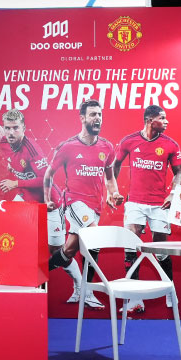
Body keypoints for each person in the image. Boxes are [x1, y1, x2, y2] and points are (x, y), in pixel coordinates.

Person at [0, 110, 101, 308]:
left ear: (24, 128)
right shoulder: (3, 143)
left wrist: (16, 182)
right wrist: (15, 173)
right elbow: (15, 163)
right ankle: (16, 284)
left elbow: (45, 178)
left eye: (15, 128)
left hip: (50, 204)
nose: (11, 132)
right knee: (6, 229)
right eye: (7, 128)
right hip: (26, 199)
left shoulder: (32, 150)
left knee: (57, 251)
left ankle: (81, 288)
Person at [43, 100, 123, 299]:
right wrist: (47, 199)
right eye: (93, 114)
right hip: (74, 202)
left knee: (69, 251)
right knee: (94, 236)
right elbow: (48, 174)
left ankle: (39, 272)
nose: (98, 118)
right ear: (82, 118)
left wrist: (114, 193)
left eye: (100, 115)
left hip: (95, 206)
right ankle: (88, 293)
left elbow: (110, 178)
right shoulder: (68, 147)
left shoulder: (107, 147)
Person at [113, 105, 181, 315]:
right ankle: (135, 299)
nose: (167, 121)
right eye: (163, 118)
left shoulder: (170, 145)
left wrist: (173, 193)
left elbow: (178, 173)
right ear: (150, 120)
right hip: (134, 203)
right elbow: (114, 165)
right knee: (130, 247)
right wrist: (113, 191)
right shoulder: (129, 141)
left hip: (159, 205)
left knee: (161, 251)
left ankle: (170, 291)